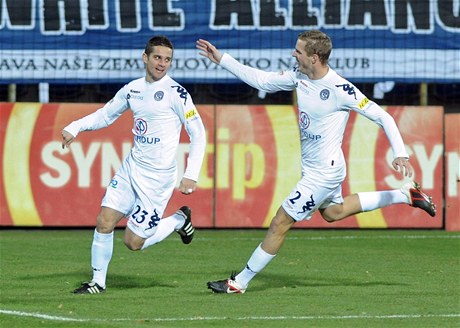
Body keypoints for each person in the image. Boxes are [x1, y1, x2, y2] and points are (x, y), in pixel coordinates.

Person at [196, 30, 436, 294]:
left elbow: (384, 117)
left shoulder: (340, 88)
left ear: (314, 57)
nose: (293, 54)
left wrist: (400, 152)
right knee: (334, 212)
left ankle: (239, 282)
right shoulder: (300, 77)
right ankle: (405, 195)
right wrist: (222, 59)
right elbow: (262, 81)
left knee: (280, 222)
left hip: (324, 173)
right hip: (317, 168)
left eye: (298, 51)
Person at [62, 35, 206, 294]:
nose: (162, 63)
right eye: (158, 57)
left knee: (133, 242)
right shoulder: (132, 89)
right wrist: (76, 126)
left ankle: (177, 220)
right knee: (104, 221)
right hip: (132, 169)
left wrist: (191, 174)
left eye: (168, 59)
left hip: (157, 179)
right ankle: (98, 282)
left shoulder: (177, 94)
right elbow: (106, 115)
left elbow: (199, 133)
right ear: (145, 57)